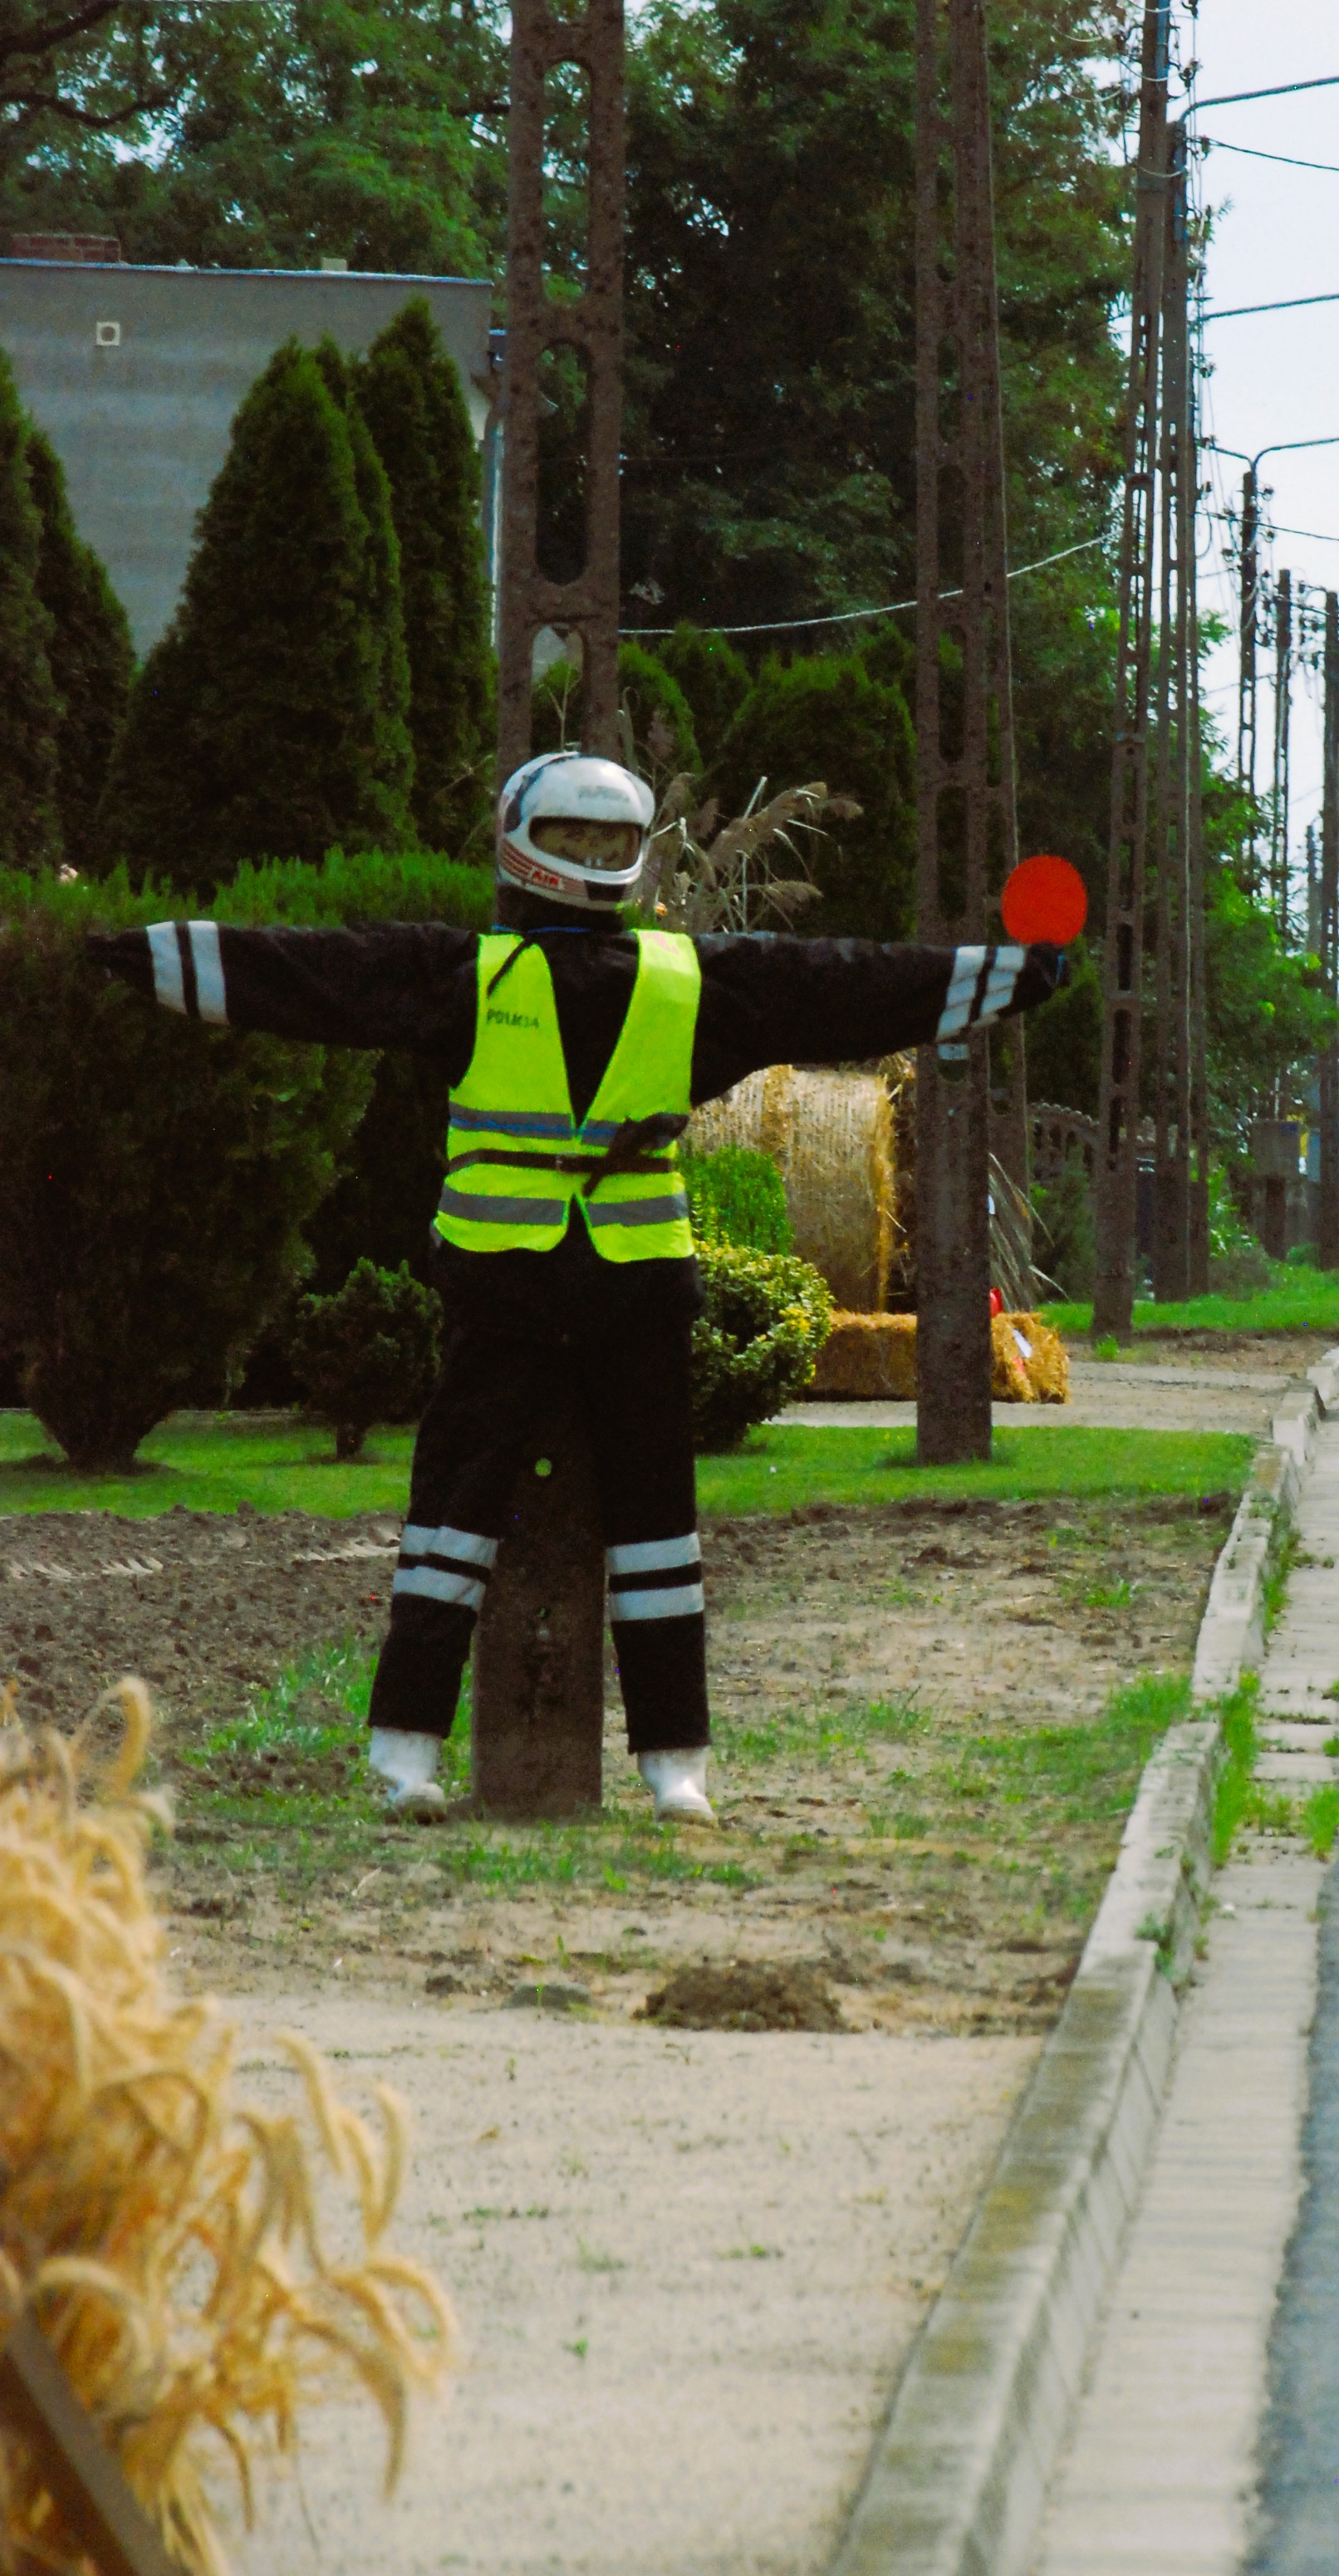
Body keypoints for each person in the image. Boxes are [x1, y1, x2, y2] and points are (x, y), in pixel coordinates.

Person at [90, 751, 1064, 1826]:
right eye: (591, 842)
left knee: (450, 1522)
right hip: (638, 1288)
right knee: (657, 1531)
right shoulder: (693, 980)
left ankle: (405, 1755)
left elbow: (308, 972)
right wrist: (1012, 974)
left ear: (516, 845)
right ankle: (672, 1769)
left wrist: (131, 957)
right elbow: (849, 984)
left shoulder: (467, 974)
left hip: (501, 1287)